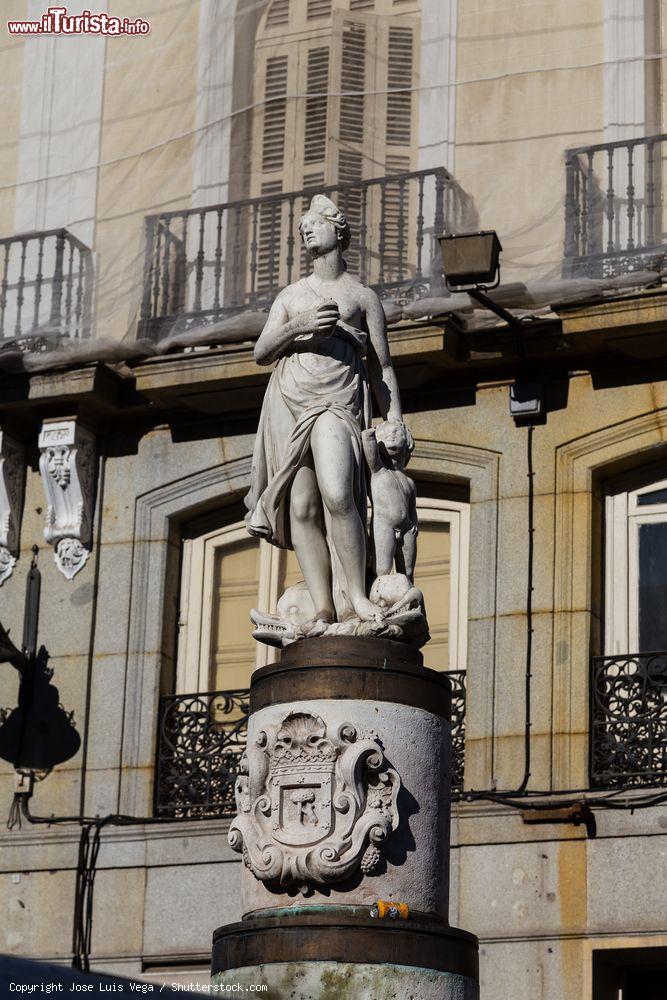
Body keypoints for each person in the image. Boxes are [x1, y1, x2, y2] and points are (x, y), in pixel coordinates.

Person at [245, 194, 405, 627]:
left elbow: (381, 365)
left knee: (338, 493)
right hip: (289, 400)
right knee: (302, 507)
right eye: (303, 229)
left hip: (338, 400)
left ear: (339, 230)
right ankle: (322, 606)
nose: (306, 231)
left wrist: (395, 419)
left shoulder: (362, 297)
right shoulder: (292, 296)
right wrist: (299, 326)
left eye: (314, 224)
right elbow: (261, 351)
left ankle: (356, 594)